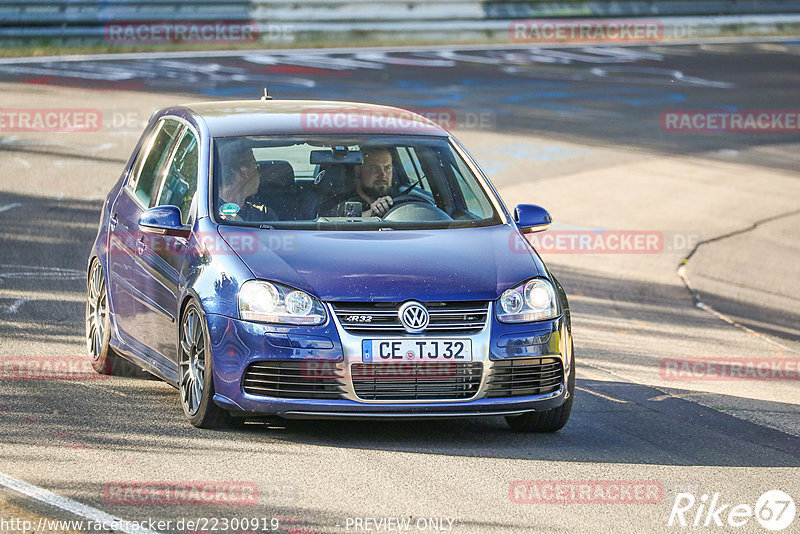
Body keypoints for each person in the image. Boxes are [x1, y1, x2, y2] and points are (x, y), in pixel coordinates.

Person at [326, 147, 395, 217]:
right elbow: (345, 222)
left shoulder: (398, 200)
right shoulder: (342, 206)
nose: (383, 174)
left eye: (387, 168)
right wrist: (372, 213)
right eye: (374, 168)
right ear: (358, 172)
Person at [216, 141, 275, 221]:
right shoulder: (212, 215)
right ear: (244, 172)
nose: (259, 174)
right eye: (256, 166)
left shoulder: (264, 214)